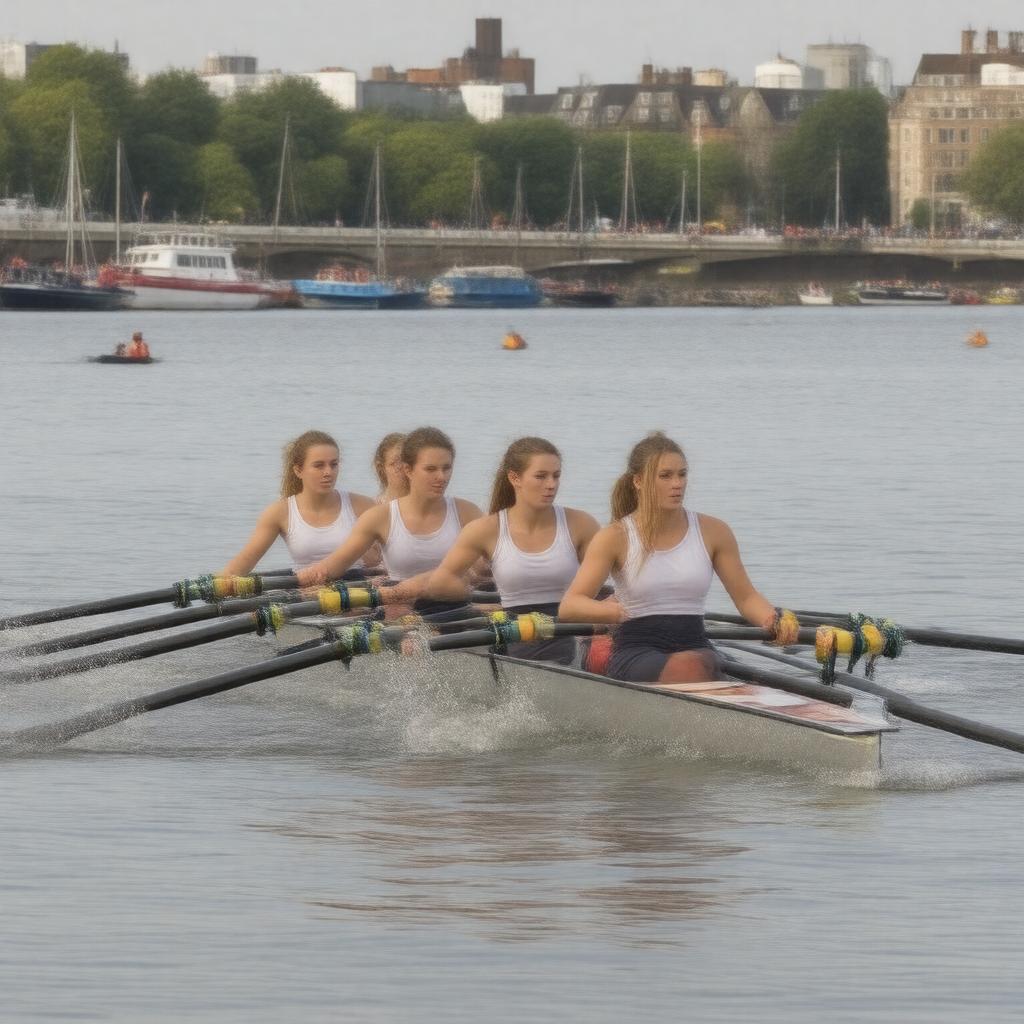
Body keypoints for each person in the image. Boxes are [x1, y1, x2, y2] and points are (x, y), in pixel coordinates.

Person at [558, 432, 798, 683]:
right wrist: (609, 612)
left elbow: (746, 597)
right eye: (665, 476)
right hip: (637, 649)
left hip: (695, 642)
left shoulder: (714, 531)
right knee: (694, 666)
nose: (677, 484)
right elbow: (570, 606)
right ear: (638, 481)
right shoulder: (614, 537)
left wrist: (772, 619)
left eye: (682, 474)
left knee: (700, 662)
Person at [428, 436, 599, 662]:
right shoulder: (485, 530)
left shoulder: (581, 524)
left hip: (569, 627)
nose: (551, 484)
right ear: (514, 478)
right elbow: (441, 582)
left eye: (556, 476)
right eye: (540, 476)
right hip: (514, 630)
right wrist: (481, 605)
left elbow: (620, 576)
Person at [296, 427, 483, 613]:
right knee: (403, 632)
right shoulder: (379, 517)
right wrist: (299, 581)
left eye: (446, 468)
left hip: (456, 609)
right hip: (399, 611)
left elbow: (481, 570)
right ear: (408, 470)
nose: (441, 477)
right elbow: (331, 567)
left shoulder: (467, 512)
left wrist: (418, 585)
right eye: (430, 469)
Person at [221, 430, 376, 576]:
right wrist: (215, 585)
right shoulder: (279, 513)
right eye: (319, 465)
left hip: (357, 594)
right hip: (306, 594)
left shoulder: (364, 506)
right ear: (298, 470)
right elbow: (244, 562)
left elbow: (387, 558)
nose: (328, 472)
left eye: (334, 464)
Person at [372, 432, 409, 503]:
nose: (403, 468)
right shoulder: (372, 507)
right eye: (395, 463)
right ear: (382, 468)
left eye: (407, 462)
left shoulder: (430, 505)